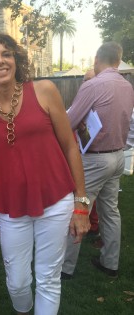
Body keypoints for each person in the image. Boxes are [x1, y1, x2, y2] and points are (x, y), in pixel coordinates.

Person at [0, 33, 90, 315]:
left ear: (16, 59)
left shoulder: (45, 90)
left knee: (48, 277)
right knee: (18, 282)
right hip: (10, 207)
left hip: (56, 198)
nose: (0, 61)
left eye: (6, 54)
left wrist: (81, 203)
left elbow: (70, 147)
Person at [63, 41, 134, 279]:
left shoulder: (93, 85)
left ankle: (65, 268)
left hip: (94, 160)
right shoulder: (127, 85)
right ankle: (110, 263)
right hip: (118, 157)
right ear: (118, 60)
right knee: (111, 212)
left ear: (97, 58)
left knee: (79, 209)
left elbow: (69, 122)